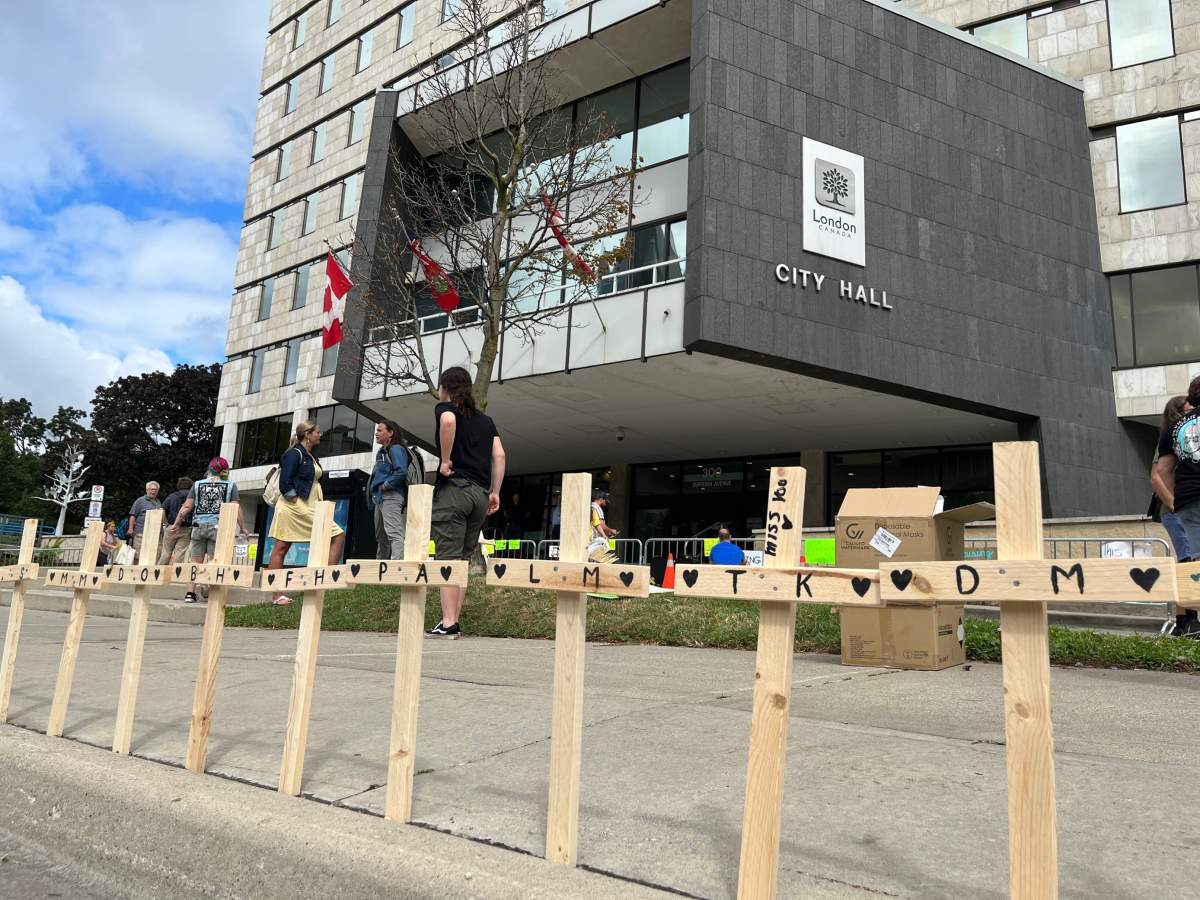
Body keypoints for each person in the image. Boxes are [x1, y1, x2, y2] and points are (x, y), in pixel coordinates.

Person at [427, 367, 505, 639]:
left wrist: (445, 460)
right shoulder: (486, 420)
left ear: (445, 387)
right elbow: (500, 455)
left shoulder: (444, 407)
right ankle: (453, 619)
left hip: (455, 491)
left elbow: (448, 422)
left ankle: (448, 623)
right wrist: (495, 491)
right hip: (480, 495)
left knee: (447, 556)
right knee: (461, 558)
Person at [267, 420, 346, 605]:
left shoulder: (310, 456)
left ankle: (322, 585)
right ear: (307, 434)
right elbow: (285, 483)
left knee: (334, 536)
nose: (321, 435)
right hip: (293, 507)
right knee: (282, 547)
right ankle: (277, 595)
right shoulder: (294, 454)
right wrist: (298, 504)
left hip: (309, 506)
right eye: (318, 432)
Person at [169, 459, 247, 603]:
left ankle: (190, 594)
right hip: (218, 528)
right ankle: (211, 592)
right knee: (215, 561)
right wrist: (243, 528)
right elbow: (236, 508)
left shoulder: (197, 485)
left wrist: (176, 523)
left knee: (195, 562)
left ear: (209, 469)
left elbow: (187, 506)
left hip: (198, 527)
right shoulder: (230, 486)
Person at [1152, 395, 1196, 636]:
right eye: (1190, 406)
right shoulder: (1170, 436)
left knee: (1188, 561)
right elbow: (1157, 476)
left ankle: (1186, 621)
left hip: (1183, 508)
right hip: (1176, 510)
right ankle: (1186, 621)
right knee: (1187, 562)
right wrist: (1175, 505)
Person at [370, 419, 408, 560]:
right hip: (380, 497)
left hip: (391, 495)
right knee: (381, 536)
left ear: (391, 433)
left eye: (380, 430)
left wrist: (385, 485)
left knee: (394, 533)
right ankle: (381, 567)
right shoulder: (382, 452)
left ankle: (395, 568)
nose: (376, 433)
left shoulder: (396, 449)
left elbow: (401, 472)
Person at [158, 476, 194, 565]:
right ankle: (173, 573)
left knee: (166, 552)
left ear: (178, 485)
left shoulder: (172, 496)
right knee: (180, 553)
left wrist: (165, 523)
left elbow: (162, 510)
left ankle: (159, 572)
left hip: (171, 527)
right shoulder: (193, 498)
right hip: (186, 528)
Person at [127, 482, 162, 561]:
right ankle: (136, 571)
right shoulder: (140, 501)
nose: (153, 491)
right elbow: (133, 515)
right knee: (138, 554)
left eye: (155, 490)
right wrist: (130, 528)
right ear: (147, 490)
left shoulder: (158, 501)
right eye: (151, 489)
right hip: (141, 532)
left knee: (153, 555)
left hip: (155, 533)